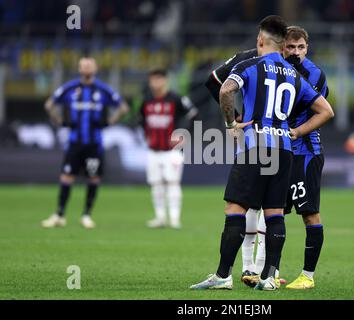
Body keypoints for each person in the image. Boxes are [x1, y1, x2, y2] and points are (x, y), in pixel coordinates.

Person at [190, 15, 334, 291]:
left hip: (256, 146)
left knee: (236, 208)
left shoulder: (250, 65)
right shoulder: (295, 76)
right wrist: (296, 132)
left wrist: (232, 123)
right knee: (274, 213)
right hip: (284, 149)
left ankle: (223, 276)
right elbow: (326, 110)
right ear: (283, 47)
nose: (295, 52)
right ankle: (268, 277)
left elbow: (224, 90)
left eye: (300, 47)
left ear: (260, 41)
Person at [41, 57, 129, 229]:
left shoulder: (103, 90)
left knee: (94, 178)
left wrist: (111, 121)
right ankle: (59, 214)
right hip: (74, 143)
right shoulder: (70, 88)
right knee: (67, 177)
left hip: (94, 145)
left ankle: (86, 215)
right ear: (79, 68)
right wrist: (58, 120)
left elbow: (123, 107)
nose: (87, 67)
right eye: (84, 65)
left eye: (90, 65)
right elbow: (49, 104)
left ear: (96, 68)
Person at [141, 69, 198, 229]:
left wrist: (183, 134)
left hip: (172, 151)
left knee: (172, 182)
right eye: (153, 80)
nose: (155, 83)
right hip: (153, 149)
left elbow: (193, 114)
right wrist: (146, 135)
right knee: (156, 183)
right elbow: (141, 120)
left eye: (158, 79)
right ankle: (160, 217)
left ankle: (174, 218)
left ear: (165, 80)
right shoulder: (146, 100)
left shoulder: (176, 98)